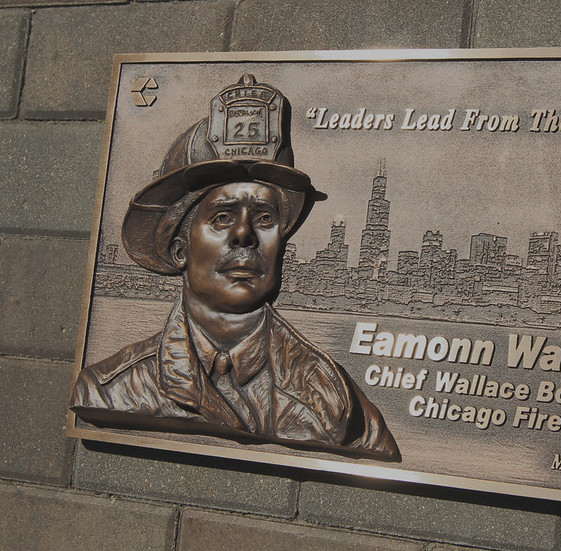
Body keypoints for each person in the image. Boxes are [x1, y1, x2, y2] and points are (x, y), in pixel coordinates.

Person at [70, 75, 399, 461]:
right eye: (222, 218)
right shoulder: (110, 389)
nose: (244, 236)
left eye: (264, 218)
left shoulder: (336, 401)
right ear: (180, 250)